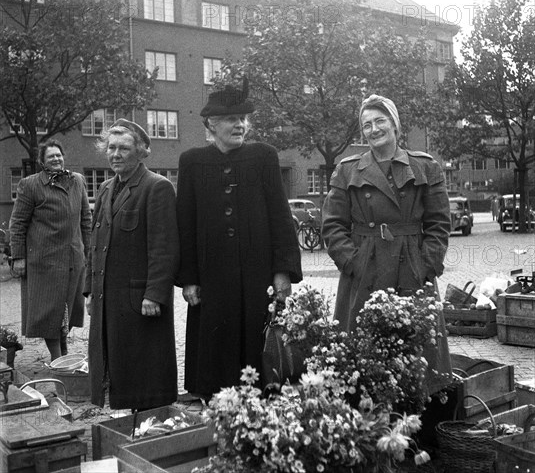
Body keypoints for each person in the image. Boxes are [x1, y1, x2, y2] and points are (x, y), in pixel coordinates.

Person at [176, 79, 303, 399]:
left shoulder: (264, 156)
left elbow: (280, 216)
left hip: (257, 275)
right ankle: (217, 407)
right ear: (212, 125)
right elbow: (185, 224)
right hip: (211, 277)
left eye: (244, 119)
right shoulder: (191, 162)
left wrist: (283, 270)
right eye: (233, 119)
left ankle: (260, 407)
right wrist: (189, 278)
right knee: (215, 349)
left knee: (257, 343)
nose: (241, 125)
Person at [322, 94, 451, 391]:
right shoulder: (347, 169)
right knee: (360, 354)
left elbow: (439, 224)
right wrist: (352, 262)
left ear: (395, 125)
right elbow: (331, 224)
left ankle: (422, 417)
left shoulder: (426, 167)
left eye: (380, 121)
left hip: (412, 268)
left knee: (418, 351)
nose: (374, 129)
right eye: (366, 125)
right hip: (365, 268)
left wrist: (427, 264)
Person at [85, 119, 179, 411]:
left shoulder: (157, 187)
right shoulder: (105, 188)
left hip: (140, 299)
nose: (115, 154)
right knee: (116, 361)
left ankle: (152, 420)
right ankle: (128, 417)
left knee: (145, 366)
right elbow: (95, 243)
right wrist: (89, 290)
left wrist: (155, 293)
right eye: (111, 148)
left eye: (124, 148)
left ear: (140, 151)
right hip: (108, 298)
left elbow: (164, 247)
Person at [9, 139, 91, 362]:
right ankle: (57, 358)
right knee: (49, 312)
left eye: (58, 155)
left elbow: (86, 219)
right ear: (42, 162)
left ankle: (63, 353)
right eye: (50, 156)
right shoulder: (31, 185)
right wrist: (18, 257)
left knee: (69, 310)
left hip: (73, 259)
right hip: (44, 261)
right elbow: (17, 223)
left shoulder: (78, 181)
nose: (56, 159)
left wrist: (89, 252)